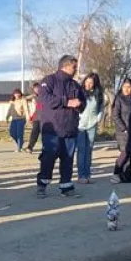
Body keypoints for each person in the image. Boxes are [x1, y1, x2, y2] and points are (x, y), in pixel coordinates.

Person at [36, 55, 85, 197]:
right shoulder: (48, 81)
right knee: (48, 157)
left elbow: (82, 102)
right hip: (52, 129)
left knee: (68, 158)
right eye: (74, 67)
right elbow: (44, 99)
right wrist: (67, 102)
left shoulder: (75, 85)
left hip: (70, 128)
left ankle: (66, 187)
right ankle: (42, 185)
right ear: (65, 66)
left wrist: (80, 104)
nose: (76, 70)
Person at [76, 73, 105, 184]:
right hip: (80, 126)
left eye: (91, 83)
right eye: (86, 82)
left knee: (89, 151)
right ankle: (81, 175)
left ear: (95, 84)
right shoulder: (80, 93)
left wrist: (98, 118)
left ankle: (87, 174)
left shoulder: (98, 95)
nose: (88, 84)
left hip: (92, 126)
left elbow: (101, 108)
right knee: (81, 151)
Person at [26, 82, 42, 153]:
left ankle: (46, 147)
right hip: (36, 118)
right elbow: (24, 99)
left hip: (45, 118)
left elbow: (44, 107)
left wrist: (37, 104)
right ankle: (30, 147)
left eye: (38, 88)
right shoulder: (34, 96)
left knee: (45, 134)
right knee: (34, 133)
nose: (37, 89)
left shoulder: (44, 96)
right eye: (35, 88)